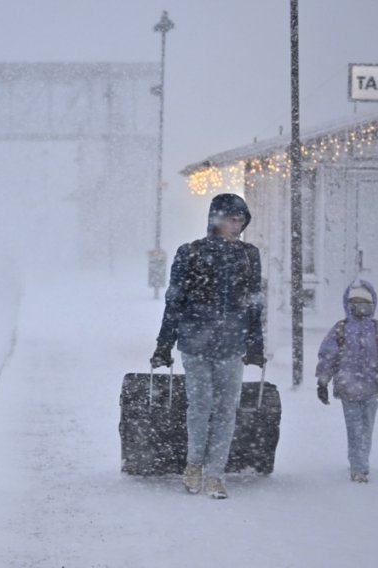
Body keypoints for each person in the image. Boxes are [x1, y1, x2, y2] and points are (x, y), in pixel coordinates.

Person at [150, 193, 265, 499]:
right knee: (199, 407)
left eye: (241, 220)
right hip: (195, 343)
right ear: (216, 219)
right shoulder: (190, 253)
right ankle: (193, 465)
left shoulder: (249, 255)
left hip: (232, 343)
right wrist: (164, 344)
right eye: (232, 219)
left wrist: (255, 343)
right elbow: (174, 301)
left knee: (227, 410)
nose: (236, 226)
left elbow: (255, 302)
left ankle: (215, 472)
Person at [315, 280, 378, 483]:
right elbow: (328, 356)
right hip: (348, 389)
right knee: (354, 428)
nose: (360, 306)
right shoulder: (341, 329)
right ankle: (358, 467)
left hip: (372, 388)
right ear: (348, 303)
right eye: (355, 301)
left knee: (367, 427)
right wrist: (322, 382)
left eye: (364, 302)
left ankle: (361, 461)